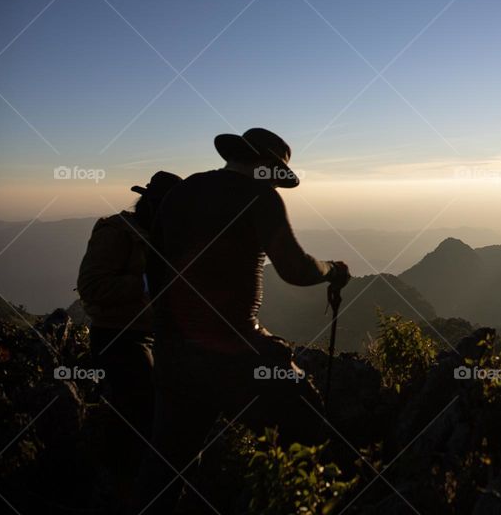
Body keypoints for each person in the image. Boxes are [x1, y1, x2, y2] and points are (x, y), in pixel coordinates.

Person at [133, 128, 351, 514]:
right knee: (305, 426)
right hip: (235, 352)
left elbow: (154, 269)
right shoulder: (260, 198)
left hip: (172, 350)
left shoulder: (181, 193)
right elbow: (295, 268)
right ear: (268, 167)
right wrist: (332, 270)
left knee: (167, 463)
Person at [77, 170, 182, 500]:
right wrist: (148, 284)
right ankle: (122, 486)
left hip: (153, 335)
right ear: (151, 205)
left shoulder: (160, 237)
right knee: (142, 403)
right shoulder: (116, 232)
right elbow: (91, 287)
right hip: (117, 335)